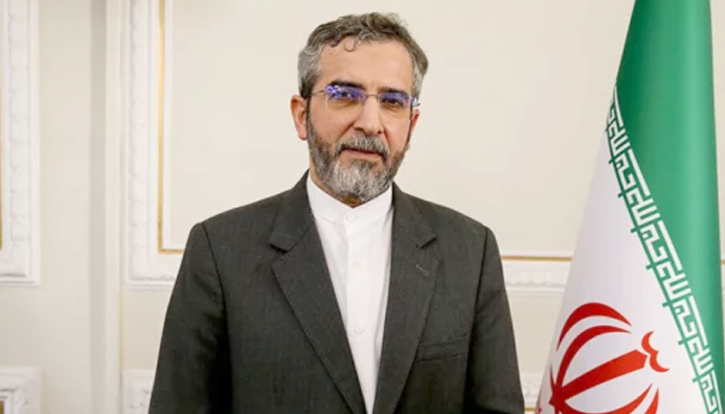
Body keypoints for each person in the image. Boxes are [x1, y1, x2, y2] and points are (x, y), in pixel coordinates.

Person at [149, 12, 524, 414]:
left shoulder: (471, 251)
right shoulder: (220, 250)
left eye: (392, 102)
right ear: (301, 115)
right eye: (345, 95)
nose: (370, 123)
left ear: (411, 124)